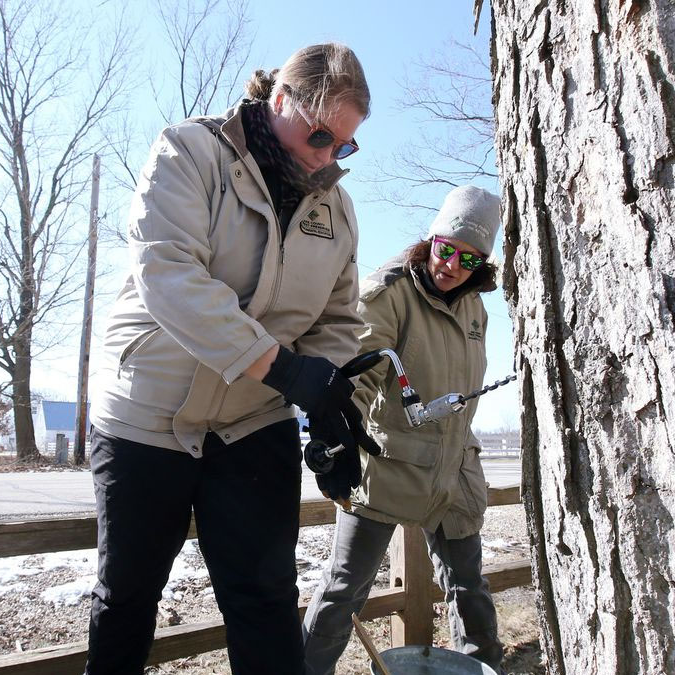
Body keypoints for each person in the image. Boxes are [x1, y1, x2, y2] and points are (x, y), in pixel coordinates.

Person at [84, 43, 380, 675]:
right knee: (127, 597)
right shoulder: (190, 151)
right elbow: (169, 273)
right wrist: (284, 369)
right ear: (281, 100)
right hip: (147, 414)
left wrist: (327, 406)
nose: (327, 158)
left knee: (266, 600)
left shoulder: (337, 210)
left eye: (344, 146)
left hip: (252, 420)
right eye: (319, 135)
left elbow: (337, 318)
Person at [303, 185, 506, 675]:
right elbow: (355, 377)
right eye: (446, 249)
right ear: (431, 240)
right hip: (387, 469)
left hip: (456, 472)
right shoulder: (388, 293)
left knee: (470, 591)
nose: (452, 265)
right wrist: (336, 438)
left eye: (469, 259)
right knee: (343, 590)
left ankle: (480, 669)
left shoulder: (474, 305)